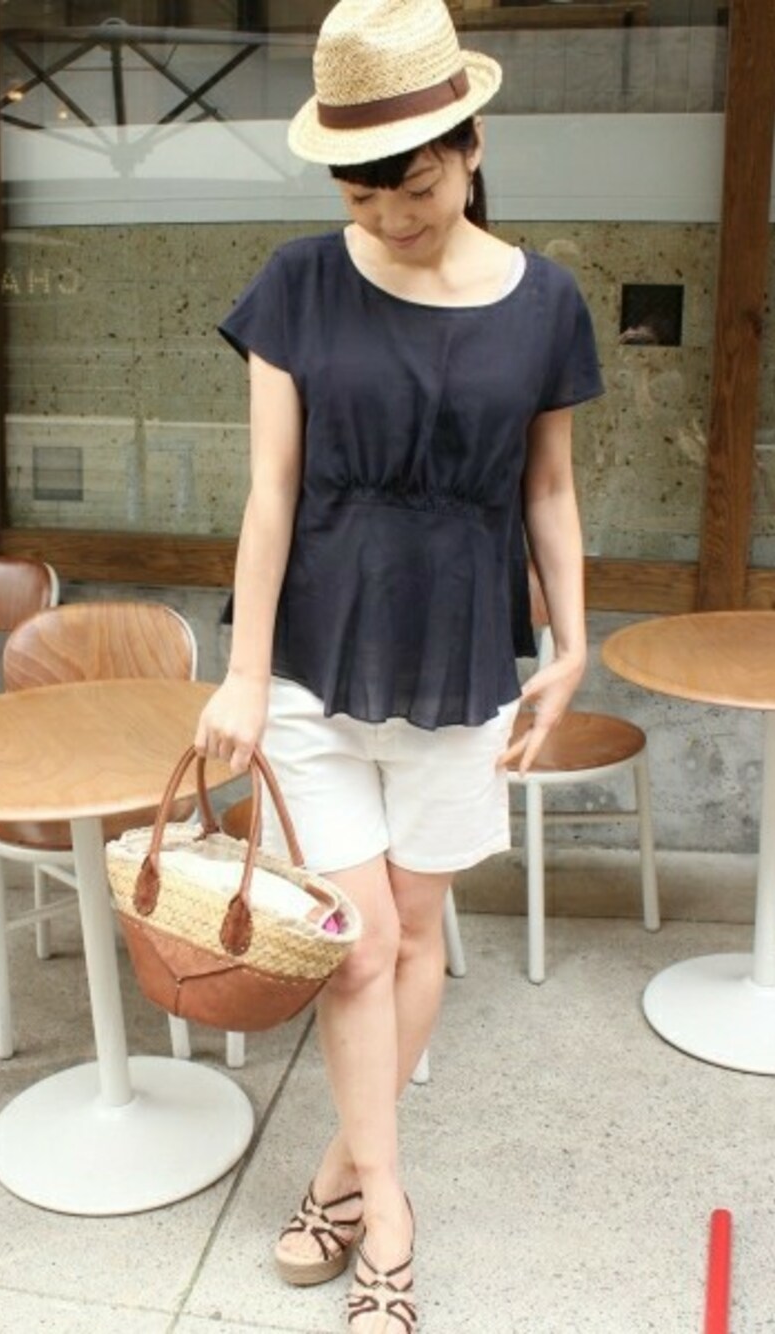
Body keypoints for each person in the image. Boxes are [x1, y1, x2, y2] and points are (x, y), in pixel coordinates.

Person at [195, 0, 602, 1328]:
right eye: (363, 194)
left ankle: (335, 1174)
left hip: (460, 658)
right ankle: (392, 1216)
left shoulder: (545, 302)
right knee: (358, 947)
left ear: (470, 146)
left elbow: (548, 489)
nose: (391, 216)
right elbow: (270, 492)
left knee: (415, 934)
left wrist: (575, 642)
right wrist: (243, 672)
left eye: (415, 185)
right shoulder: (297, 284)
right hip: (312, 662)